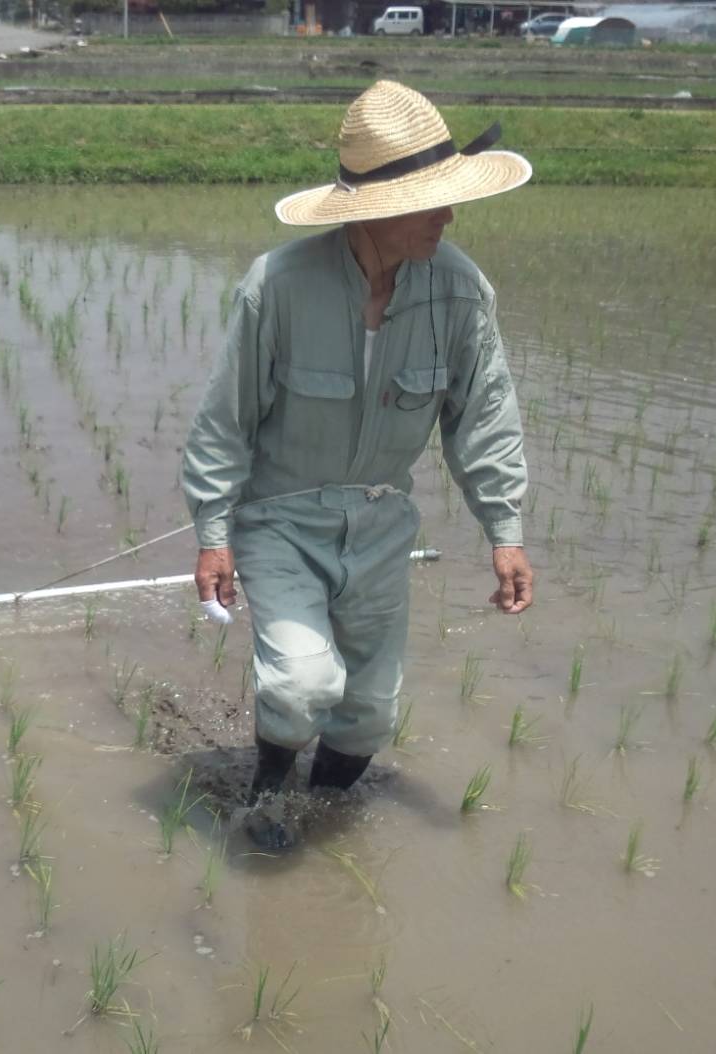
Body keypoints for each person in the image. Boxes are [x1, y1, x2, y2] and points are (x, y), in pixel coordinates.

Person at [181, 80, 534, 848]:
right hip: (278, 522)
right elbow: (225, 420)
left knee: (370, 709)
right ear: (376, 208)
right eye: (432, 198)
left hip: (380, 526)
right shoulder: (277, 287)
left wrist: (503, 531)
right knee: (304, 683)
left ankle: (327, 816)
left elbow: (485, 420)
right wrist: (214, 531)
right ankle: (268, 794)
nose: (450, 214)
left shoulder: (461, 292)